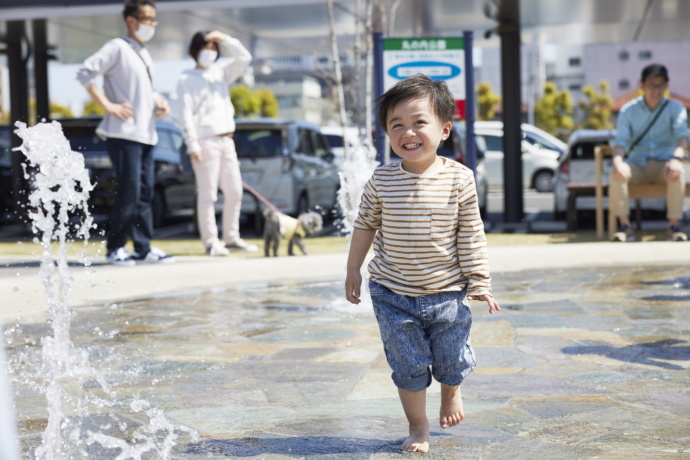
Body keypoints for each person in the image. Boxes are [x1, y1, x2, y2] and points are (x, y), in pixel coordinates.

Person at [344, 74, 500, 453]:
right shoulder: (381, 180)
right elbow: (364, 225)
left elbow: (471, 232)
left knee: (450, 356)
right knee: (408, 364)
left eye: (419, 122)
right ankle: (418, 426)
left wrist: (479, 280)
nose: (407, 132)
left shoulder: (459, 179)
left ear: (444, 129)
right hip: (392, 292)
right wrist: (353, 270)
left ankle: (451, 393)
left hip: (446, 290)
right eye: (396, 124)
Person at [77, 0, 175, 265]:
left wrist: (158, 102)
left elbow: (141, 89)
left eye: (155, 19)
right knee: (128, 192)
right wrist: (107, 105)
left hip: (147, 134)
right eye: (148, 19)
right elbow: (85, 72)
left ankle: (143, 248)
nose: (152, 24)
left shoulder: (142, 51)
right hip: (123, 134)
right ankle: (115, 248)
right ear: (132, 20)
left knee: (145, 193)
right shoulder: (117, 47)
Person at [176, 30, 257, 255]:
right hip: (204, 140)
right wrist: (191, 144)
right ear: (195, 50)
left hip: (227, 139)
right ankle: (211, 242)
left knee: (234, 191)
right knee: (208, 193)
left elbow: (244, 58)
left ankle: (231, 238)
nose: (209, 52)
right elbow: (184, 114)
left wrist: (226, 39)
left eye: (213, 48)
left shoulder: (221, 73)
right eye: (205, 47)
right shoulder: (186, 78)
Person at [609, 63, 689, 242]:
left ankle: (674, 226)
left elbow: (682, 137)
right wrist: (617, 162)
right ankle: (624, 226)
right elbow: (620, 142)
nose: (656, 89)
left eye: (661, 84)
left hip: (664, 164)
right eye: (652, 84)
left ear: (666, 86)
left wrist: (677, 158)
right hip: (637, 164)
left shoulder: (676, 108)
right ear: (642, 85)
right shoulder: (628, 110)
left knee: (678, 171)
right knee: (617, 174)